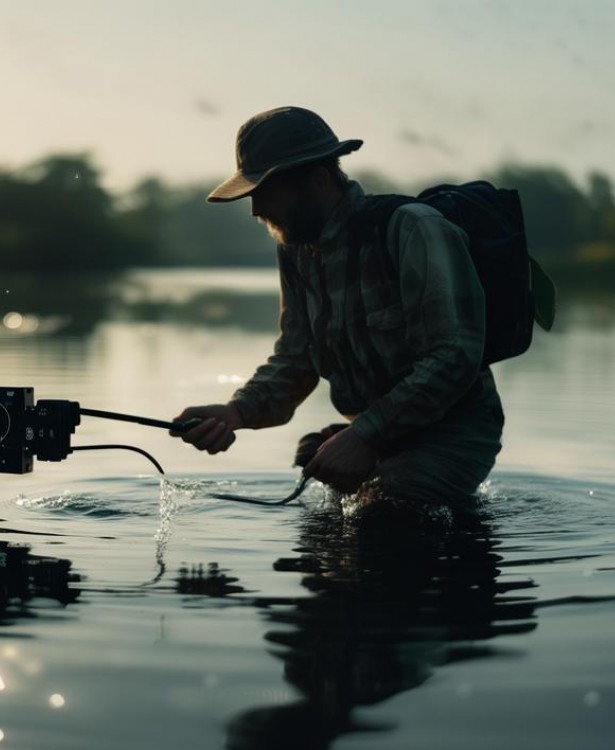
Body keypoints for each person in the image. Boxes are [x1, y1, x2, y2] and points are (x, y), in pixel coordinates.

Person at [171, 106, 503, 512]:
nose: (257, 211)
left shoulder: (414, 229)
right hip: (373, 427)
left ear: (317, 179)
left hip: (456, 429)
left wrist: (365, 436)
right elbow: (295, 358)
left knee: (383, 513)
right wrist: (235, 412)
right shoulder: (295, 249)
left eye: (266, 193)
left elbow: (455, 356)